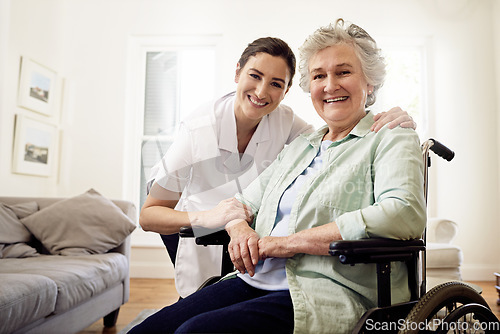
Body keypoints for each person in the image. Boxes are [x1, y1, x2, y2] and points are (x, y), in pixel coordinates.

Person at [141, 36, 417, 299]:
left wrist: (393, 117)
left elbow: (332, 137)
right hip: (188, 215)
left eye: (275, 83)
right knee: (191, 297)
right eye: (254, 75)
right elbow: (149, 216)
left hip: (246, 226)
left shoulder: (286, 122)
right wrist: (209, 217)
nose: (262, 92)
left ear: (286, 91)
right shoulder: (197, 130)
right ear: (238, 72)